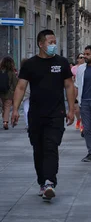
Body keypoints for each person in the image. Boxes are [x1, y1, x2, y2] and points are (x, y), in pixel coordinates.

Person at [11, 29, 76, 201]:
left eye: (55, 42)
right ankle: (42, 181)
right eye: (50, 42)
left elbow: (69, 86)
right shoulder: (30, 64)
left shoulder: (62, 62)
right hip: (36, 114)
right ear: (41, 44)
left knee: (50, 146)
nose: (53, 45)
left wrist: (71, 109)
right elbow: (20, 87)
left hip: (56, 113)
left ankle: (49, 182)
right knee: (38, 148)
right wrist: (15, 109)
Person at [0, 56, 18, 130]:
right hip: (8, 93)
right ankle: (5, 122)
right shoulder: (12, 72)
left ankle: (4, 117)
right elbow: (15, 84)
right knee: (7, 107)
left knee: (2, 107)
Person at [72, 54, 85, 131]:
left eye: (83, 57)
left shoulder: (86, 67)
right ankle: (78, 119)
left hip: (84, 90)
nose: (82, 59)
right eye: (80, 57)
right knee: (76, 109)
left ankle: (83, 124)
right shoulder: (74, 68)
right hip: (75, 89)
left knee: (84, 108)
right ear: (77, 59)